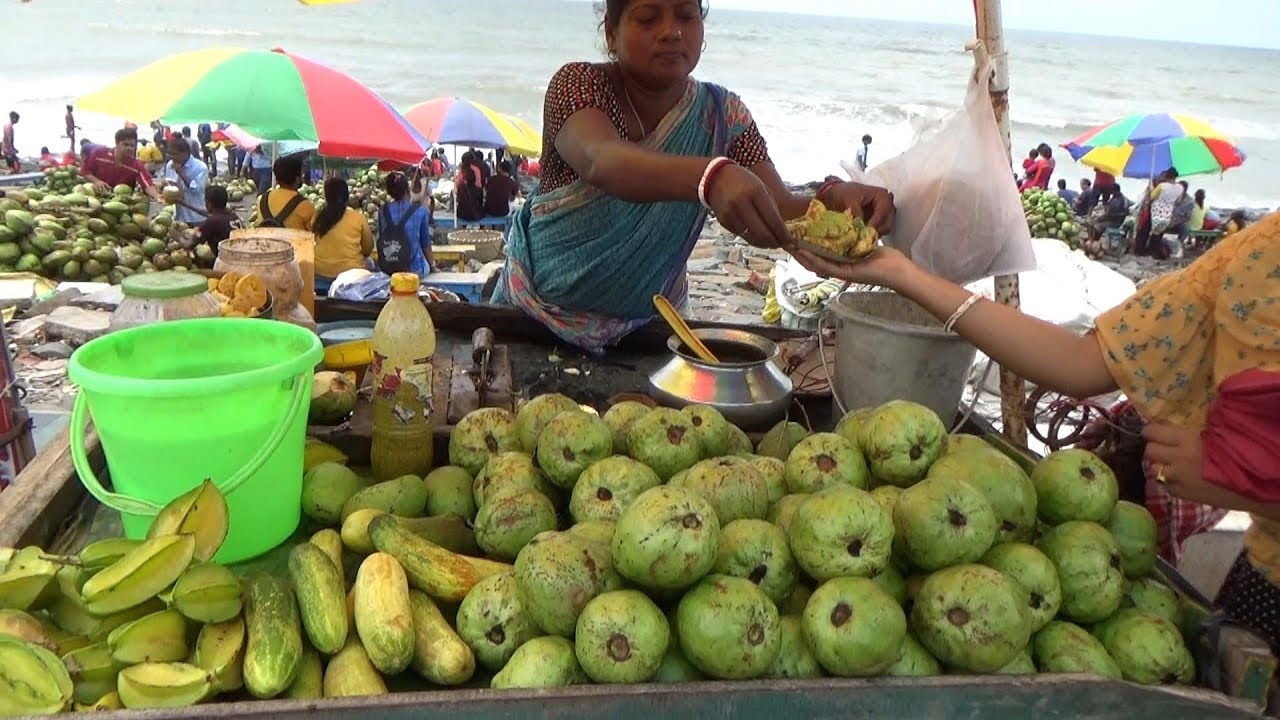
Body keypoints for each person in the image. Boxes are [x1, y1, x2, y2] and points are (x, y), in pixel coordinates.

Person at [790, 212, 1280, 649]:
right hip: (1263, 582)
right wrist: (898, 272)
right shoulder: (1259, 251)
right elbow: (1082, 361)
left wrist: (1245, 484)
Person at [491, 0, 893, 353]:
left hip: (651, 335)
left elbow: (778, 212)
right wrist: (713, 177)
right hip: (533, 323)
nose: (671, 32)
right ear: (611, 35)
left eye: (686, 15)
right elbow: (603, 160)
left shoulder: (723, 116)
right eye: (648, 18)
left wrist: (839, 199)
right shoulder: (578, 86)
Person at [312, 177, 375, 290]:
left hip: (320, 274)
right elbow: (368, 249)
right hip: (351, 276)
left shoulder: (317, 217)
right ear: (346, 196)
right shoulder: (358, 218)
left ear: (326, 197)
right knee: (370, 262)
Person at [377, 172, 433, 277]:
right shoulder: (421, 210)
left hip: (389, 269)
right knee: (425, 265)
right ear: (407, 189)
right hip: (415, 269)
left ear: (389, 191)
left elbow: (383, 236)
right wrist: (433, 265)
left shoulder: (382, 211)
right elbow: (425, 243)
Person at [81, 127, 160, 200]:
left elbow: (147, 184)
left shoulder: (137, 165)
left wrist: (157, 196)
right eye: (125, 145)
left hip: (120, 203)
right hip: (96, 197)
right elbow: (85, 172)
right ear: (117, 143)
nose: (129, 148)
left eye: (132, 145)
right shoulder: (99, 154)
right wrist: (96, 181)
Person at [252, 154, 315, 231]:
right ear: (297, 179)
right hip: (296, 242)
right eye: (301, 174)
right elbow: (314, 234)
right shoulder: (306, 206)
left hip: (265, 242)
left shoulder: (261, 200)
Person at [163, 136, 210, 223]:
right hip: (178, 216)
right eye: (169, 154)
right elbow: (169, 185)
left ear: (186, 153)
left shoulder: (200, 167)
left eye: (174, 154)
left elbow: (197, 190)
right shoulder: (170, 165)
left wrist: (181, 173)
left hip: (196, 217)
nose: (171, 157)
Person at [191, 185, 242, 255]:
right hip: (239, 255)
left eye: (205, 201)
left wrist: (178, 237)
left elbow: (190, 245)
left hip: (226, 260)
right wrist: (184, 203)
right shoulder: (232, 215)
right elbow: (209, 214)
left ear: (209, 203)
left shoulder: (212, 221)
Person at [454, 156, 485, 223]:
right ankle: (481, 228)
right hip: (475, 215)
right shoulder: (479, 189)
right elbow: (480, 203)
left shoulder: (461, 187)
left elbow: (458, 197)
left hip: (462, 214)